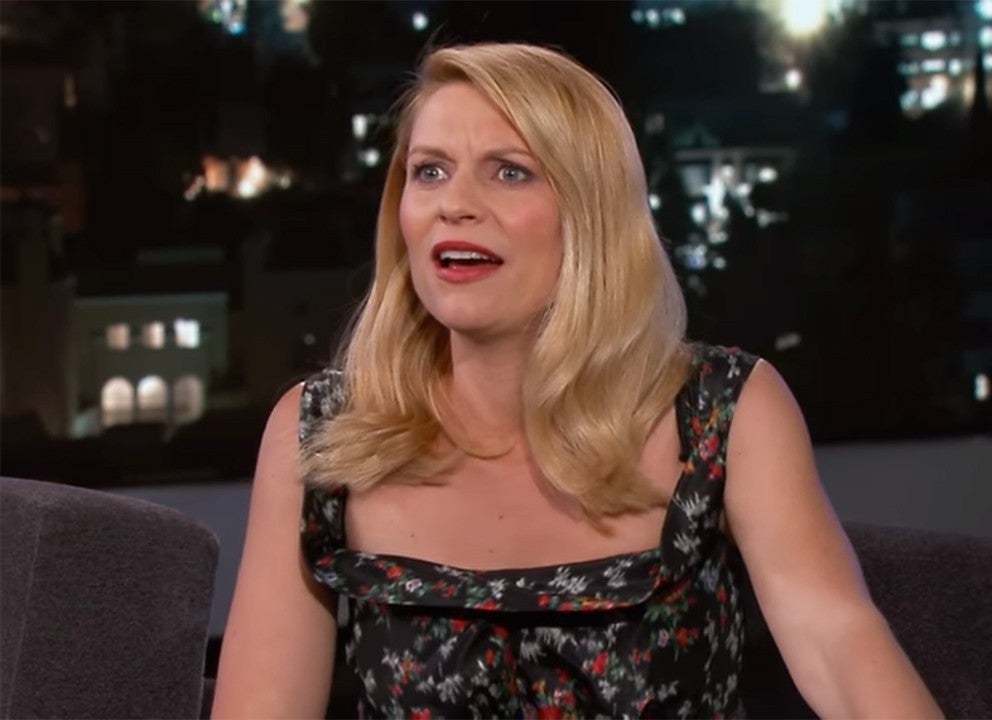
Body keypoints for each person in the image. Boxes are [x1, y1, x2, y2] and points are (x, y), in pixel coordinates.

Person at [212, 42, 942, 719]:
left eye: (510, 171)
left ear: (590, 213)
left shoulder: (723, 411)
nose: (453, 203)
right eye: (429, 170)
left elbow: (840, 652)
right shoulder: (321, 434)